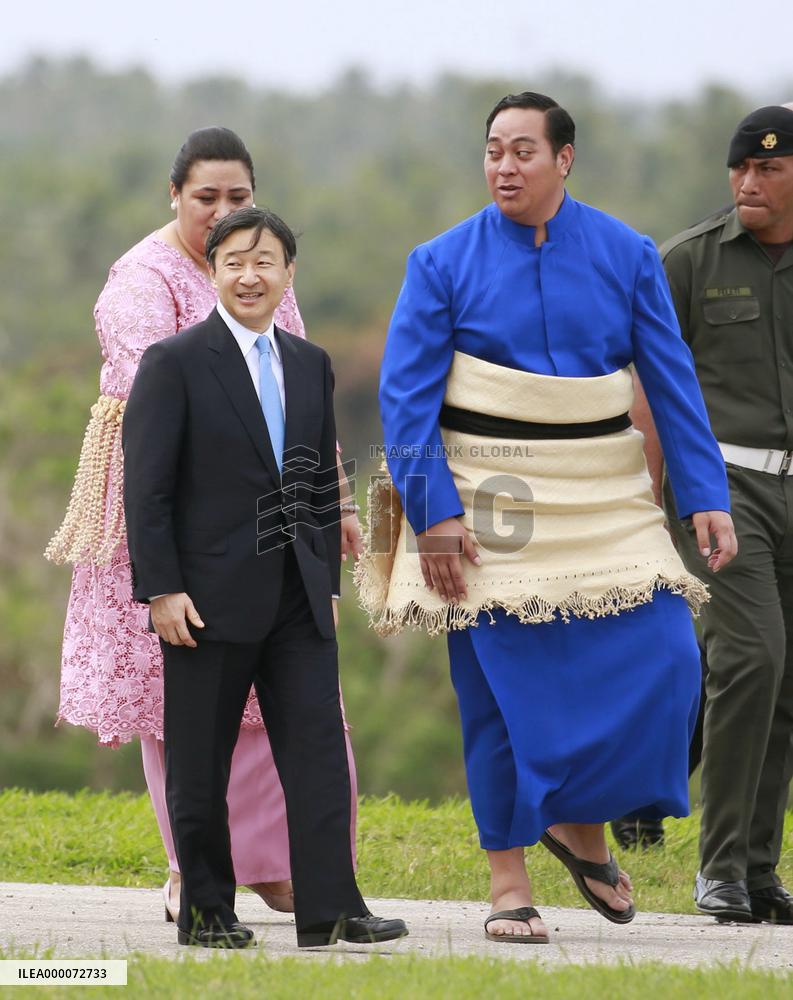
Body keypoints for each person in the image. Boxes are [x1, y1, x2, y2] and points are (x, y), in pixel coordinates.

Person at [363, 91, 736, 944]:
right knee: (498, 693)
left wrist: (706, 495)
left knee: (669, 661)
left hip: (603, 489)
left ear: (563, 159)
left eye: (523, 150)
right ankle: (507, 884)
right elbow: (405, 398)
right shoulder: (440, 261)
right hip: (485, 495)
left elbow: (671, 383)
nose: (504, 165)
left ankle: (578, 826)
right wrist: (432, 513)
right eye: (493, 149)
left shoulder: (626, 253)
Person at [45, 127, 361, 923]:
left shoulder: (261, 266)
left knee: (290, 701)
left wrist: (334, 504)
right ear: (174, 197)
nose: (223, 213)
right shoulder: (139, 279)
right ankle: (197, 875)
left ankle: (291, 871)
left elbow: (299, 393)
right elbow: (171, 403)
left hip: (273, 515)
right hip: (176, 515)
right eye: (206, 198)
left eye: (238, 198)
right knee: (184, 705)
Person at [122, 206, 406, 948]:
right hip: (204, 602)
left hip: (297, 598)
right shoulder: (175, 362)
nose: (250, 275)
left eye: (265, 261)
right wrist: (160, 590)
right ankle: (208, 910)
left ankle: (332, 909)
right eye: (233, 263)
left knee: (316, 755)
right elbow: (145, 490)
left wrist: (326, 585)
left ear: (289, 273)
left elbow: (316, 484)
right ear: (212, 272)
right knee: (201, 764)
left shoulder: (308, 364)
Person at [659, 105, 793, 924]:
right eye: (739, 168)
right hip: (721, 488)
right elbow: (644, 391)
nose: (747, 182)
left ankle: (757, 869)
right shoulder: (689, 263)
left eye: (768, 169)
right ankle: (718, 867)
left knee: (784, 678)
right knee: (750, 657)